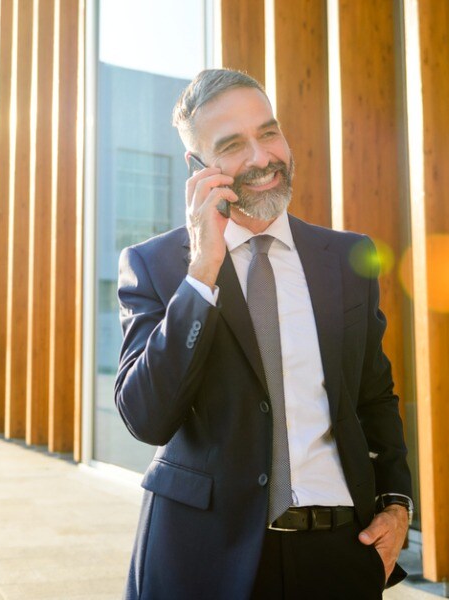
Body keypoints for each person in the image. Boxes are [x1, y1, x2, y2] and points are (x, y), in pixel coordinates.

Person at [115, 69, 412, 599]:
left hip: (338, 553)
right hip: (201, 557)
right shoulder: (155, 265)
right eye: (232, 145)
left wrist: (397, 505)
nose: (260, 157)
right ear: (198, 167)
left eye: (268, 132)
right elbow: (146, 416)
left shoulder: (346, 258)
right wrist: (202, 272)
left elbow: (374, 395)